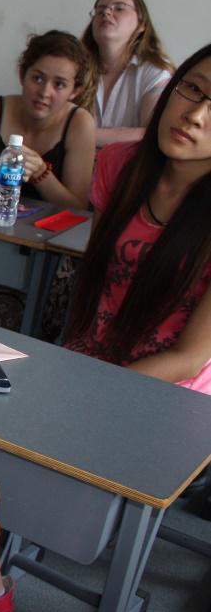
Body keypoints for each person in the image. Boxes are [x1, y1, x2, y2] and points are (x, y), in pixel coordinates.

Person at [65, 43, 211, 394]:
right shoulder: (119, 166)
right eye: (193, 88)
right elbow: (95, 278)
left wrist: (100, 389)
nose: (195, 115)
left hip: (172, 394)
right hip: (92, 362)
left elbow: (190, 357)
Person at [0, 30, 97, 209]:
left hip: (48, 226)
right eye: (37, 78)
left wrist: (41, 173)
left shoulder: (80, 123)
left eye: (59, 84)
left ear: (75, 91)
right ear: (22, 75)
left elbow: (78, 207)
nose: (44, 92)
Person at [80, 0, 173, 147]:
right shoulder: (76, 67)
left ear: (141, 24)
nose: (106, 13)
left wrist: (80, 135)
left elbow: (152, 133)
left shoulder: (155, 70)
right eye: (100, 10)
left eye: (119, 8)